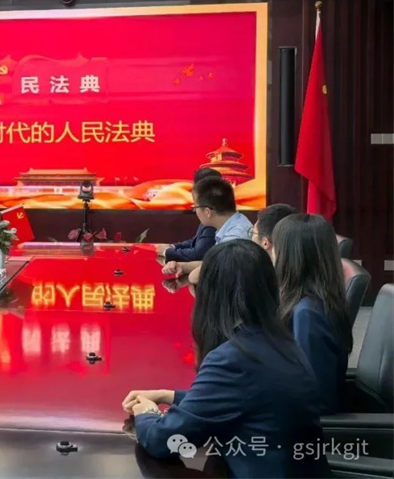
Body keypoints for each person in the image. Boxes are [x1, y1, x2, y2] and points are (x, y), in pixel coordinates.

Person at [123, 240, 329, 478]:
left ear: (214, 296)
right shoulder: (280, 339)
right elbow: (240, 398)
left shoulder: (234, 359)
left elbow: (164, 440)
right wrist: (167, 395)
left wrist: (147, 413)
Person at [272, 214, 353, 415]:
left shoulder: (308, 314)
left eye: (275, 246)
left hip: (297, 426)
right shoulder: (312, 301)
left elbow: (317, 400)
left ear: (289, 256)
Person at [161, 176, 252, 283]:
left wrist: (190, 275)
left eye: (195, 207)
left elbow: (208, 272)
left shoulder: (235, 237)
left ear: (207, 212)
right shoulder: (233, 224)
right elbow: (212, 264)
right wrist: (181, 266)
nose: (195, 211)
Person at [156, 168, 220, 261]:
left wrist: (166, 252)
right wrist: (173, 247)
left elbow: (197, 254)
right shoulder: (211, 209)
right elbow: (195, 242)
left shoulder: (213, 216)